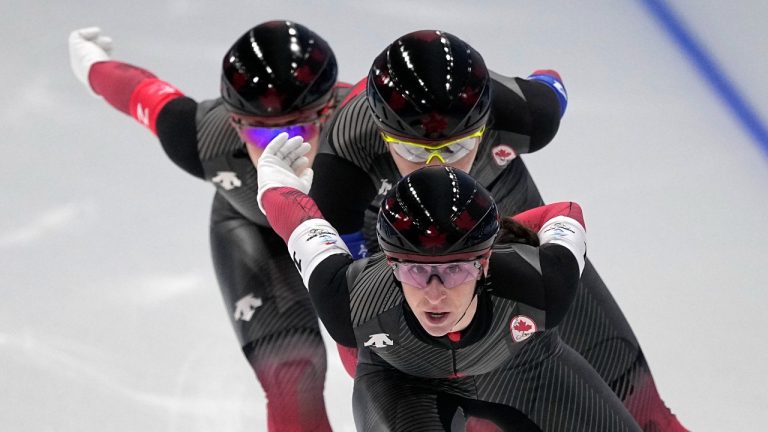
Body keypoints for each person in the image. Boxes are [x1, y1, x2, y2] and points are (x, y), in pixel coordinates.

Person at [308, 30, 687, 431]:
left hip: (514, 230)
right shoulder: (344, 158)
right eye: (414, 151)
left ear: (485, 126)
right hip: (408, 254)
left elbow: (549, 85)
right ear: (382, 135)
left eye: (455, 149)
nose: (438, 168)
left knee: (640, 403)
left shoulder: (522, 113)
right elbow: (353, 310)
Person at [68, 21, 350, 431]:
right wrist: (91, 63)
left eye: (294, 129)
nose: (277, 148)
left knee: (393, 358)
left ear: (329, 113)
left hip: (349, 227)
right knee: (292, 372)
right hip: (253, 229)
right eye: (259, 131)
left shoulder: (365, 129)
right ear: (234, 123)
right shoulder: (200, 137)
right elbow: (138, 94)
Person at [254, 136, 642, 431]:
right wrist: (272, 184)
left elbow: (565, 213)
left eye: (455, 269)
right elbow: (303, 228)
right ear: (390, 264)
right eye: (415, 271)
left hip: (525, 368)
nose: (435, 292)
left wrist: (505, 230)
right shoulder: (352, 301)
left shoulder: (540, 284)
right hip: (402, 386)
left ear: (485, 263)